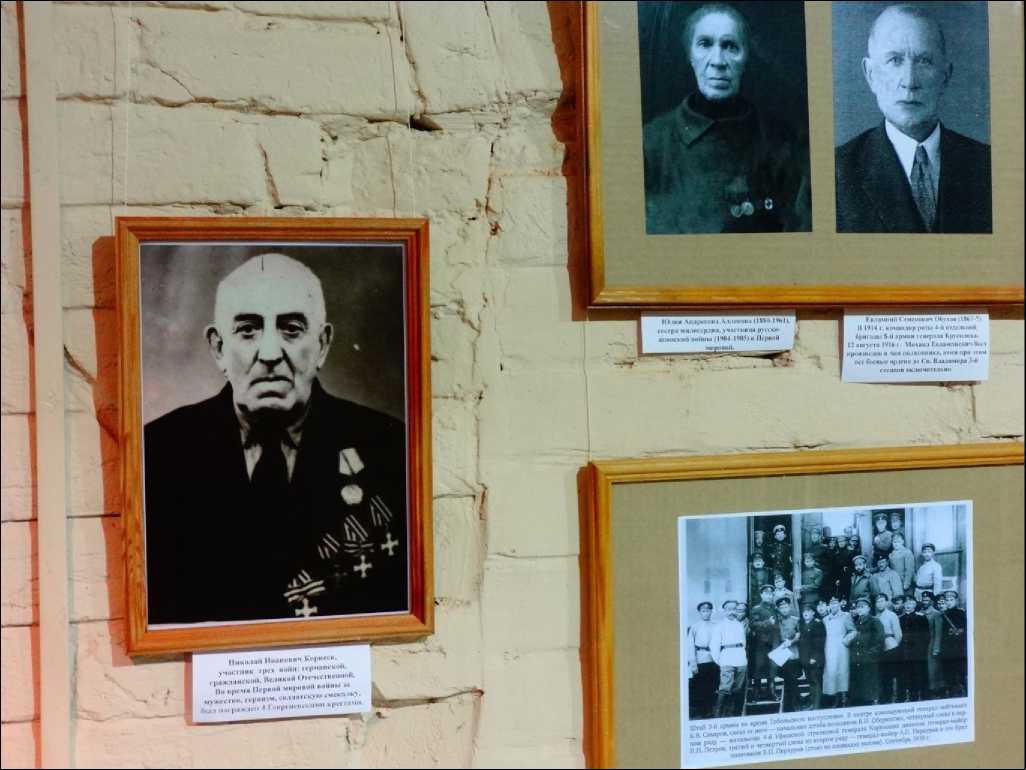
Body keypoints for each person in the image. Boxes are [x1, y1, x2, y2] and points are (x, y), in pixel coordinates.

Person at [144, 254, 408, 624]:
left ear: (322, 344)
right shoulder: (158, 452)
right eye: (248, 330)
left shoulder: (390, 449)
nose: (269, 354)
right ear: (218, 348)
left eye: (291, 329)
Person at [642, 3, 812, 234]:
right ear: (690, 55)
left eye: (730, 46)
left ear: (746, 57)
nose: (718, 61)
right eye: (705, 44)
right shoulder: (650, 144)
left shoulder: (783, 145)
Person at [835, 4, 992, 233]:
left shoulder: (988, 165)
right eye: (894, 60)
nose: (910, 82)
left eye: (924, 61)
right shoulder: (837, 172)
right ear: (870, 74)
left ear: (945, 76)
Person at [709, 600, 749, 717]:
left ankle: (733, 712)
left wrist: (743, 657)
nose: (732, 612)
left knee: (738, 687)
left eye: (734, 609)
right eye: (729, 609)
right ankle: (718, 713)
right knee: (725, 687)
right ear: (724, 611)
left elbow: (743, 643)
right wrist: (720, 661)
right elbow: (714, 645)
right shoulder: (719, 626)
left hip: (740, 658)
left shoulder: (739, 625)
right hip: (727, 658)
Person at [849, 596, 885, 707]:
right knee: (859, 685)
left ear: (869, 608)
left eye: (862, 607)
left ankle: (871, 702)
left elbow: (880, 640)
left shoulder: (875, 621)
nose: (859, 609)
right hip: (857, 658)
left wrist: (871, 654)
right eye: (858, 607)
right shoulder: (855, 622)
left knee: (869, 684)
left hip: (869, 659)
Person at [688, 601, 721, 718]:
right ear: (699, 612)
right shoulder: (695, 627)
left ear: (711, 611)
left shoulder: (716, 626)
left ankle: (711, 710)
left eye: (708, 611)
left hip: (714, 659)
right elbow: (690, 646)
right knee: (701, 686)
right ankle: (702, 711)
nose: (706, 613)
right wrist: (693, 663)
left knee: (713, 685)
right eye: (703, 611)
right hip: (701, 659)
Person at [822, 596, 856, 708]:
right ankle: (835, 698)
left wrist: (845, 640)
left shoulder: (846, 616)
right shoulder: (825, 619)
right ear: (829, 605)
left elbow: (853, 631)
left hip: (842, 648)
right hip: (829, 648)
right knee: (831, 673)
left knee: (842, 672)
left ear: (839, 604)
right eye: (831, 603)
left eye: (836, 603)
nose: (834, 605)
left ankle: (844, 698)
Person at [749, 584, 779, 701]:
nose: (769, 596)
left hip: (773, 643)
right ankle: (756, 693)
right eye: (766, 594)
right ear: (761, 595)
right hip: (760, 644)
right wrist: (767, 622)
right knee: (759, 667)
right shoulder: (756, 609)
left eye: (771, 594)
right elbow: (753, 625)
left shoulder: (775, 608)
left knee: (772, 668)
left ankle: (771, 692)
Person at [773, 597, 803, 712]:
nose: (784, 609)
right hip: (781, 653)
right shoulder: (776, 621)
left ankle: (796, 703)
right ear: (778, 609)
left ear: (789, 607)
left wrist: (791, 641)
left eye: (786, 607)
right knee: (786, 678)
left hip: (792, 653)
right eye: (782, 608)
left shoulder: (795, 620)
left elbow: (800, 634)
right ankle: (789, 704)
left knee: (793, 679)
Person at [898, 596, 930, 702]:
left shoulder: (921, 617)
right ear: (903, 605)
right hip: (904, 652)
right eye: (906, 603)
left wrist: (921, 649)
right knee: (907, 675)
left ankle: (921, 696)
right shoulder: (900, 618)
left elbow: (926, 636)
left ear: (915, 605)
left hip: (918, 652)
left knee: (919, 674)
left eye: (911, 603)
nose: (908, 606)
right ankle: (910, 697)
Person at [874, 593, 903, 703]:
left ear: (886, 602)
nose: (879, 604)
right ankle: (884, 698)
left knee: (892, 674)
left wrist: (894, 645)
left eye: (882, 601)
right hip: (879, 648)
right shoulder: (875, 617)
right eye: (877, 602)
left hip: (891, 647)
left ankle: (893, 697)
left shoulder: (892, 615)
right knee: (882, 675)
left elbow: (898, 634)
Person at [797, 603, 826, 711]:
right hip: (805, 659)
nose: (806, 613)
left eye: (808, 611)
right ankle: (812, 703)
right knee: (810, 681)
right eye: (804, 611)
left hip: (815, 659)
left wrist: (814, 657)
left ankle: (816, 706)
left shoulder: (817, 624)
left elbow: (819, 643)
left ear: (813, 613)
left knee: (815, 682)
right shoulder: (802, 624)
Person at [940, 590, 968, 697]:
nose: (949, 602)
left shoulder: (961, 613)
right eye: (947, 600)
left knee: (961, 671)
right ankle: (951, 693)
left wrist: (960, 631)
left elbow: (967, 628)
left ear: (956, 601)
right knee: (948, 672)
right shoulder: (943, 614)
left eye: (951, 600)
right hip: (947, 647)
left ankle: (964, 691)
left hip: (959, 647)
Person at [923, 592, 946, 697]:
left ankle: (935, 689)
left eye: (927, 600)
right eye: (923, 600)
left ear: (931, 602)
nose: (925, 602)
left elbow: (938, 632)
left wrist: (936, 648)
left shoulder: (936, 614)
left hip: (931, 643)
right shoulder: (920, 612)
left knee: (933, 668)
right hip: (922, 645)